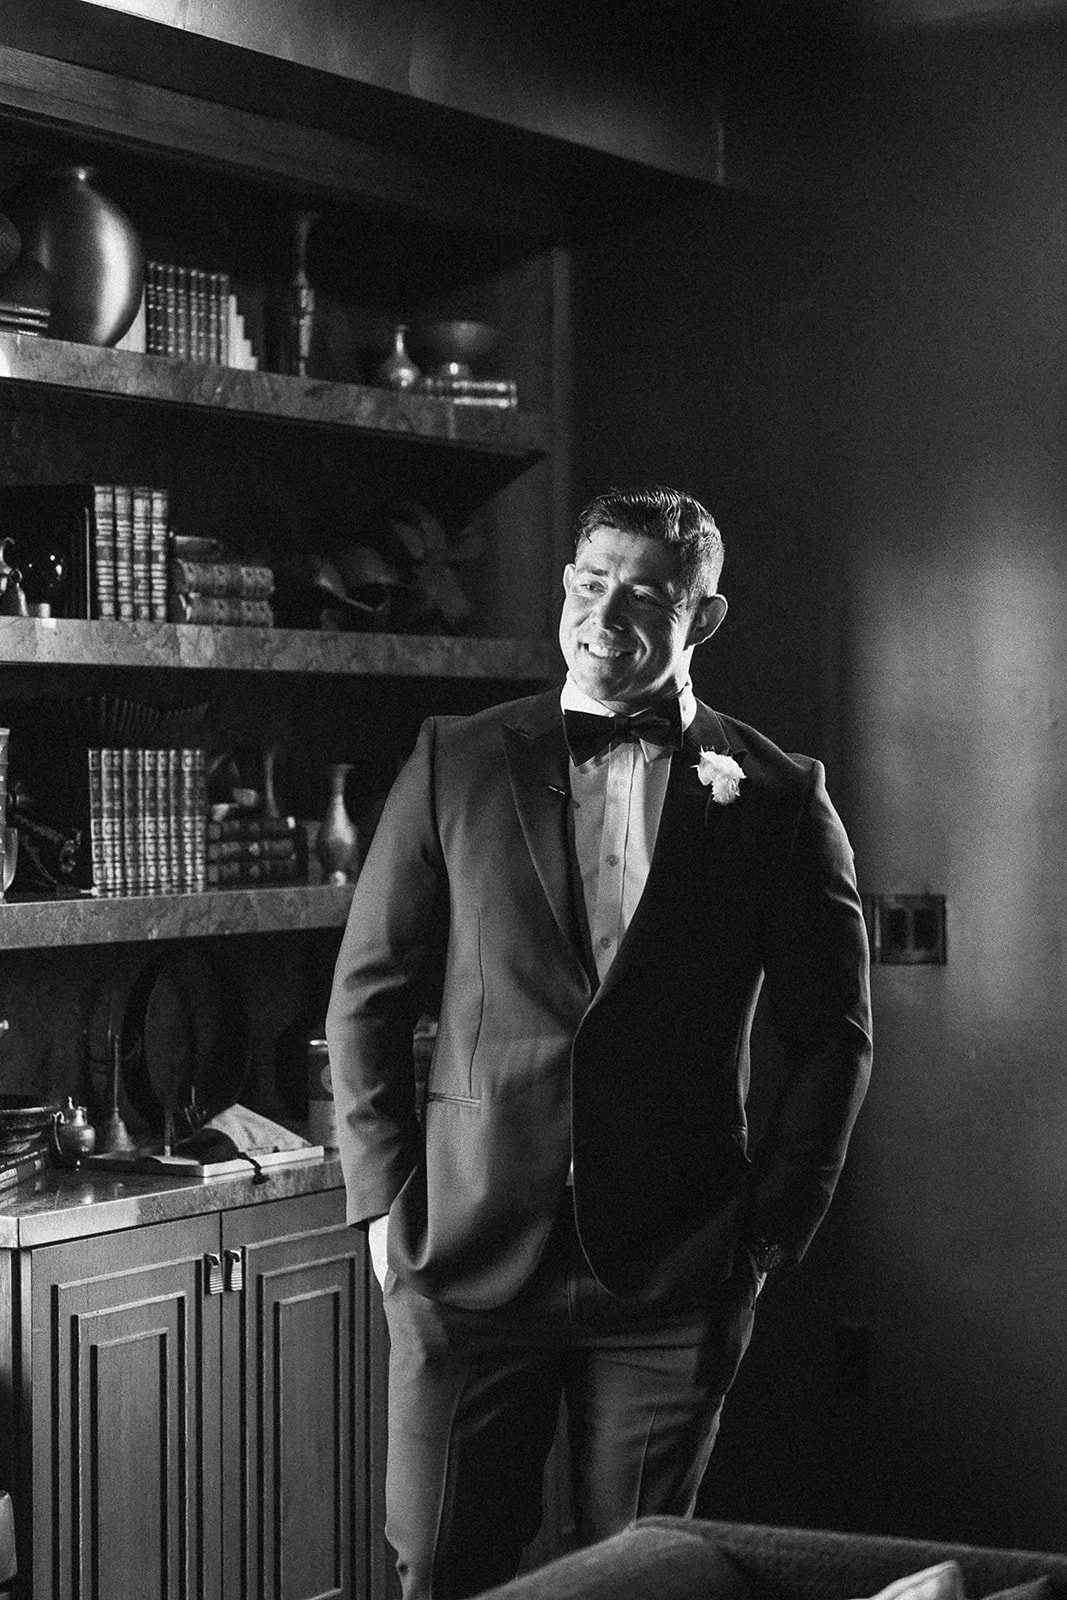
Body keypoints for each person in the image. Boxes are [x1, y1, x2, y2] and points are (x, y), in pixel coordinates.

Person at [326, 485, 873, 1600]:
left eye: (643, 593)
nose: (603, 612)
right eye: (589, 581)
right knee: (437, 1565)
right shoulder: (456, 759)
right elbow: (367, 995)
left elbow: (833, 1038)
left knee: (630, 1580)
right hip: (467, 1256)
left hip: (675, 1268)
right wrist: (384, 1202)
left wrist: (769, 1227)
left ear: (701, 618)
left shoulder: (776, 794)